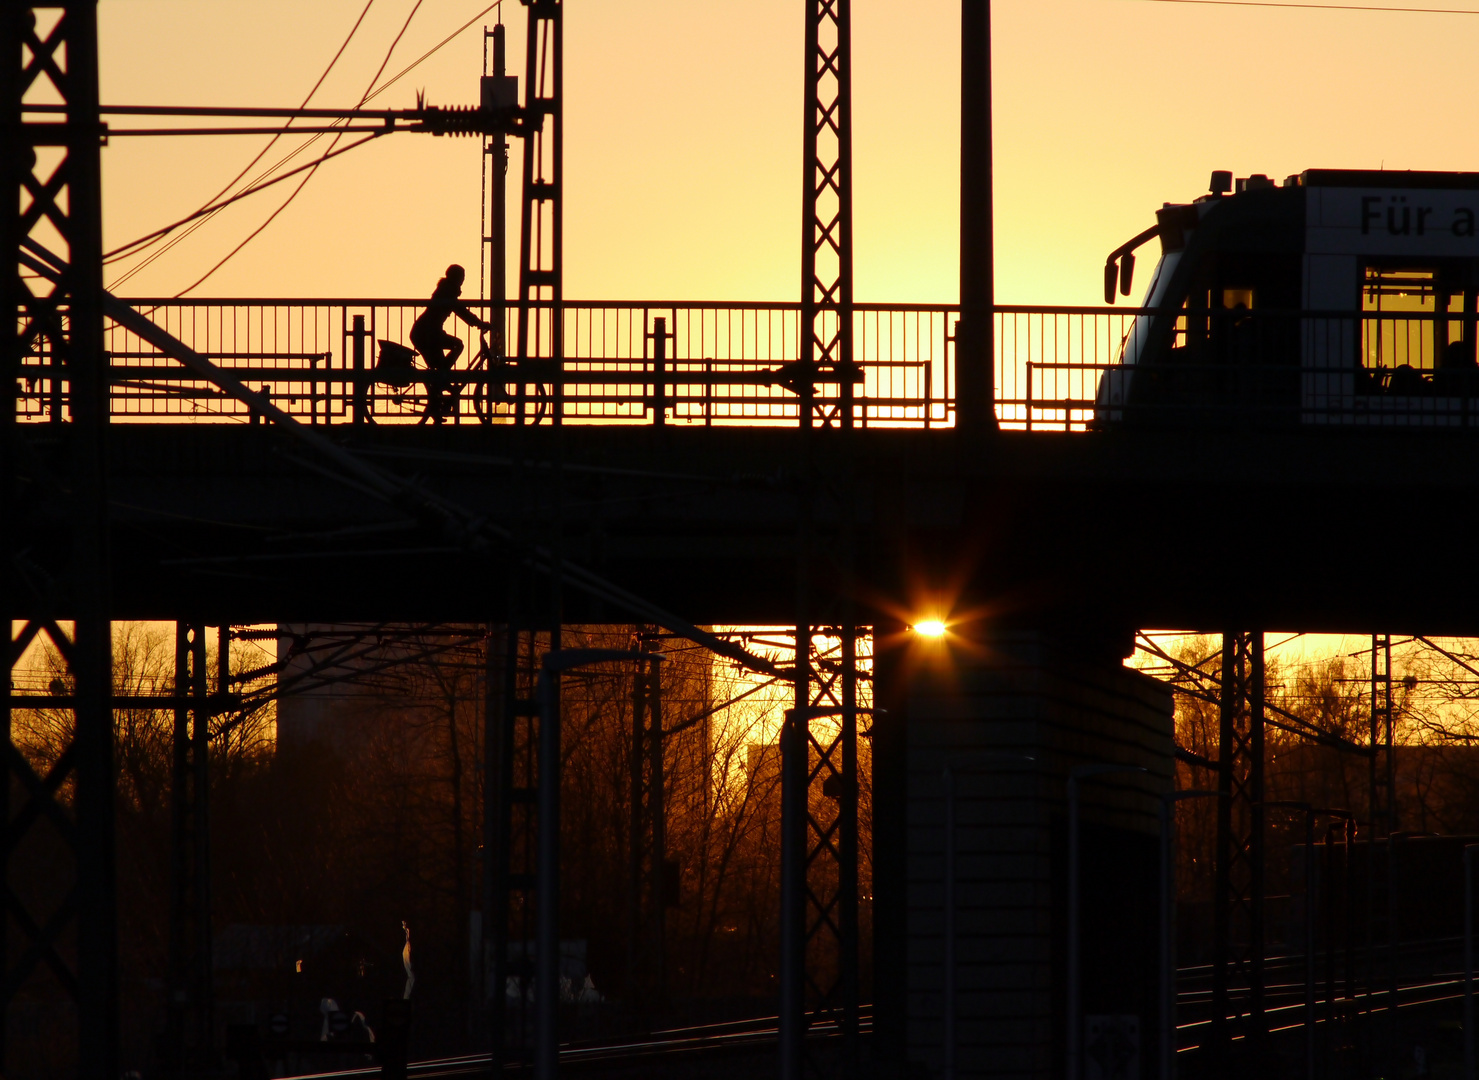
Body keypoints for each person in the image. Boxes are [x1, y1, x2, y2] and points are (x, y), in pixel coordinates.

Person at [409, 264, 492, 421]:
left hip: (427, 333)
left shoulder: (445, 290)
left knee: (439, 368)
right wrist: (479, 323)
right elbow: (461, 310)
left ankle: (437, 400)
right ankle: (443, 379)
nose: (463, 280)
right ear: (457, 278)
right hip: (427, 334)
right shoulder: (448, 292)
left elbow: (459, 309)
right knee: (457, 345)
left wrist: (477, 322)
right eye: (462, 277)